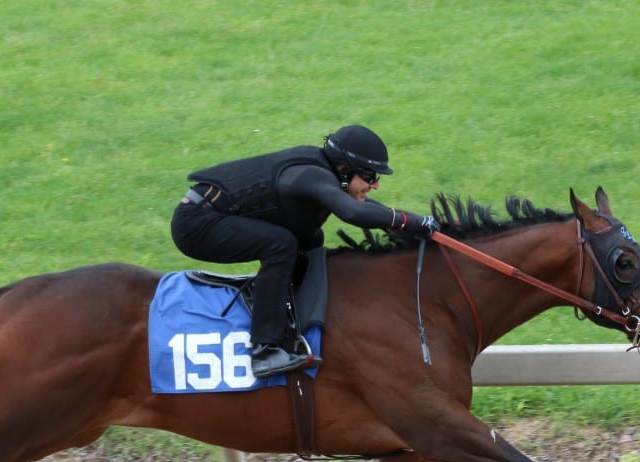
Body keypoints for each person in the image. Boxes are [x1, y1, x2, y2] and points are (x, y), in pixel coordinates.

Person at [170, 124, 440, 378]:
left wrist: (414, 225)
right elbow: (353, 211)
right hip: (195, 224)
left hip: (213, 214)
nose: (375, 184)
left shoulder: (324, 173)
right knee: (281, 244)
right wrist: (409, 221)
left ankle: (296, 316)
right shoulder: (310, 175)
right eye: (369, 176)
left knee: (311, 237)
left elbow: (367, 206)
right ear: (344, 169)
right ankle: (265, 350)